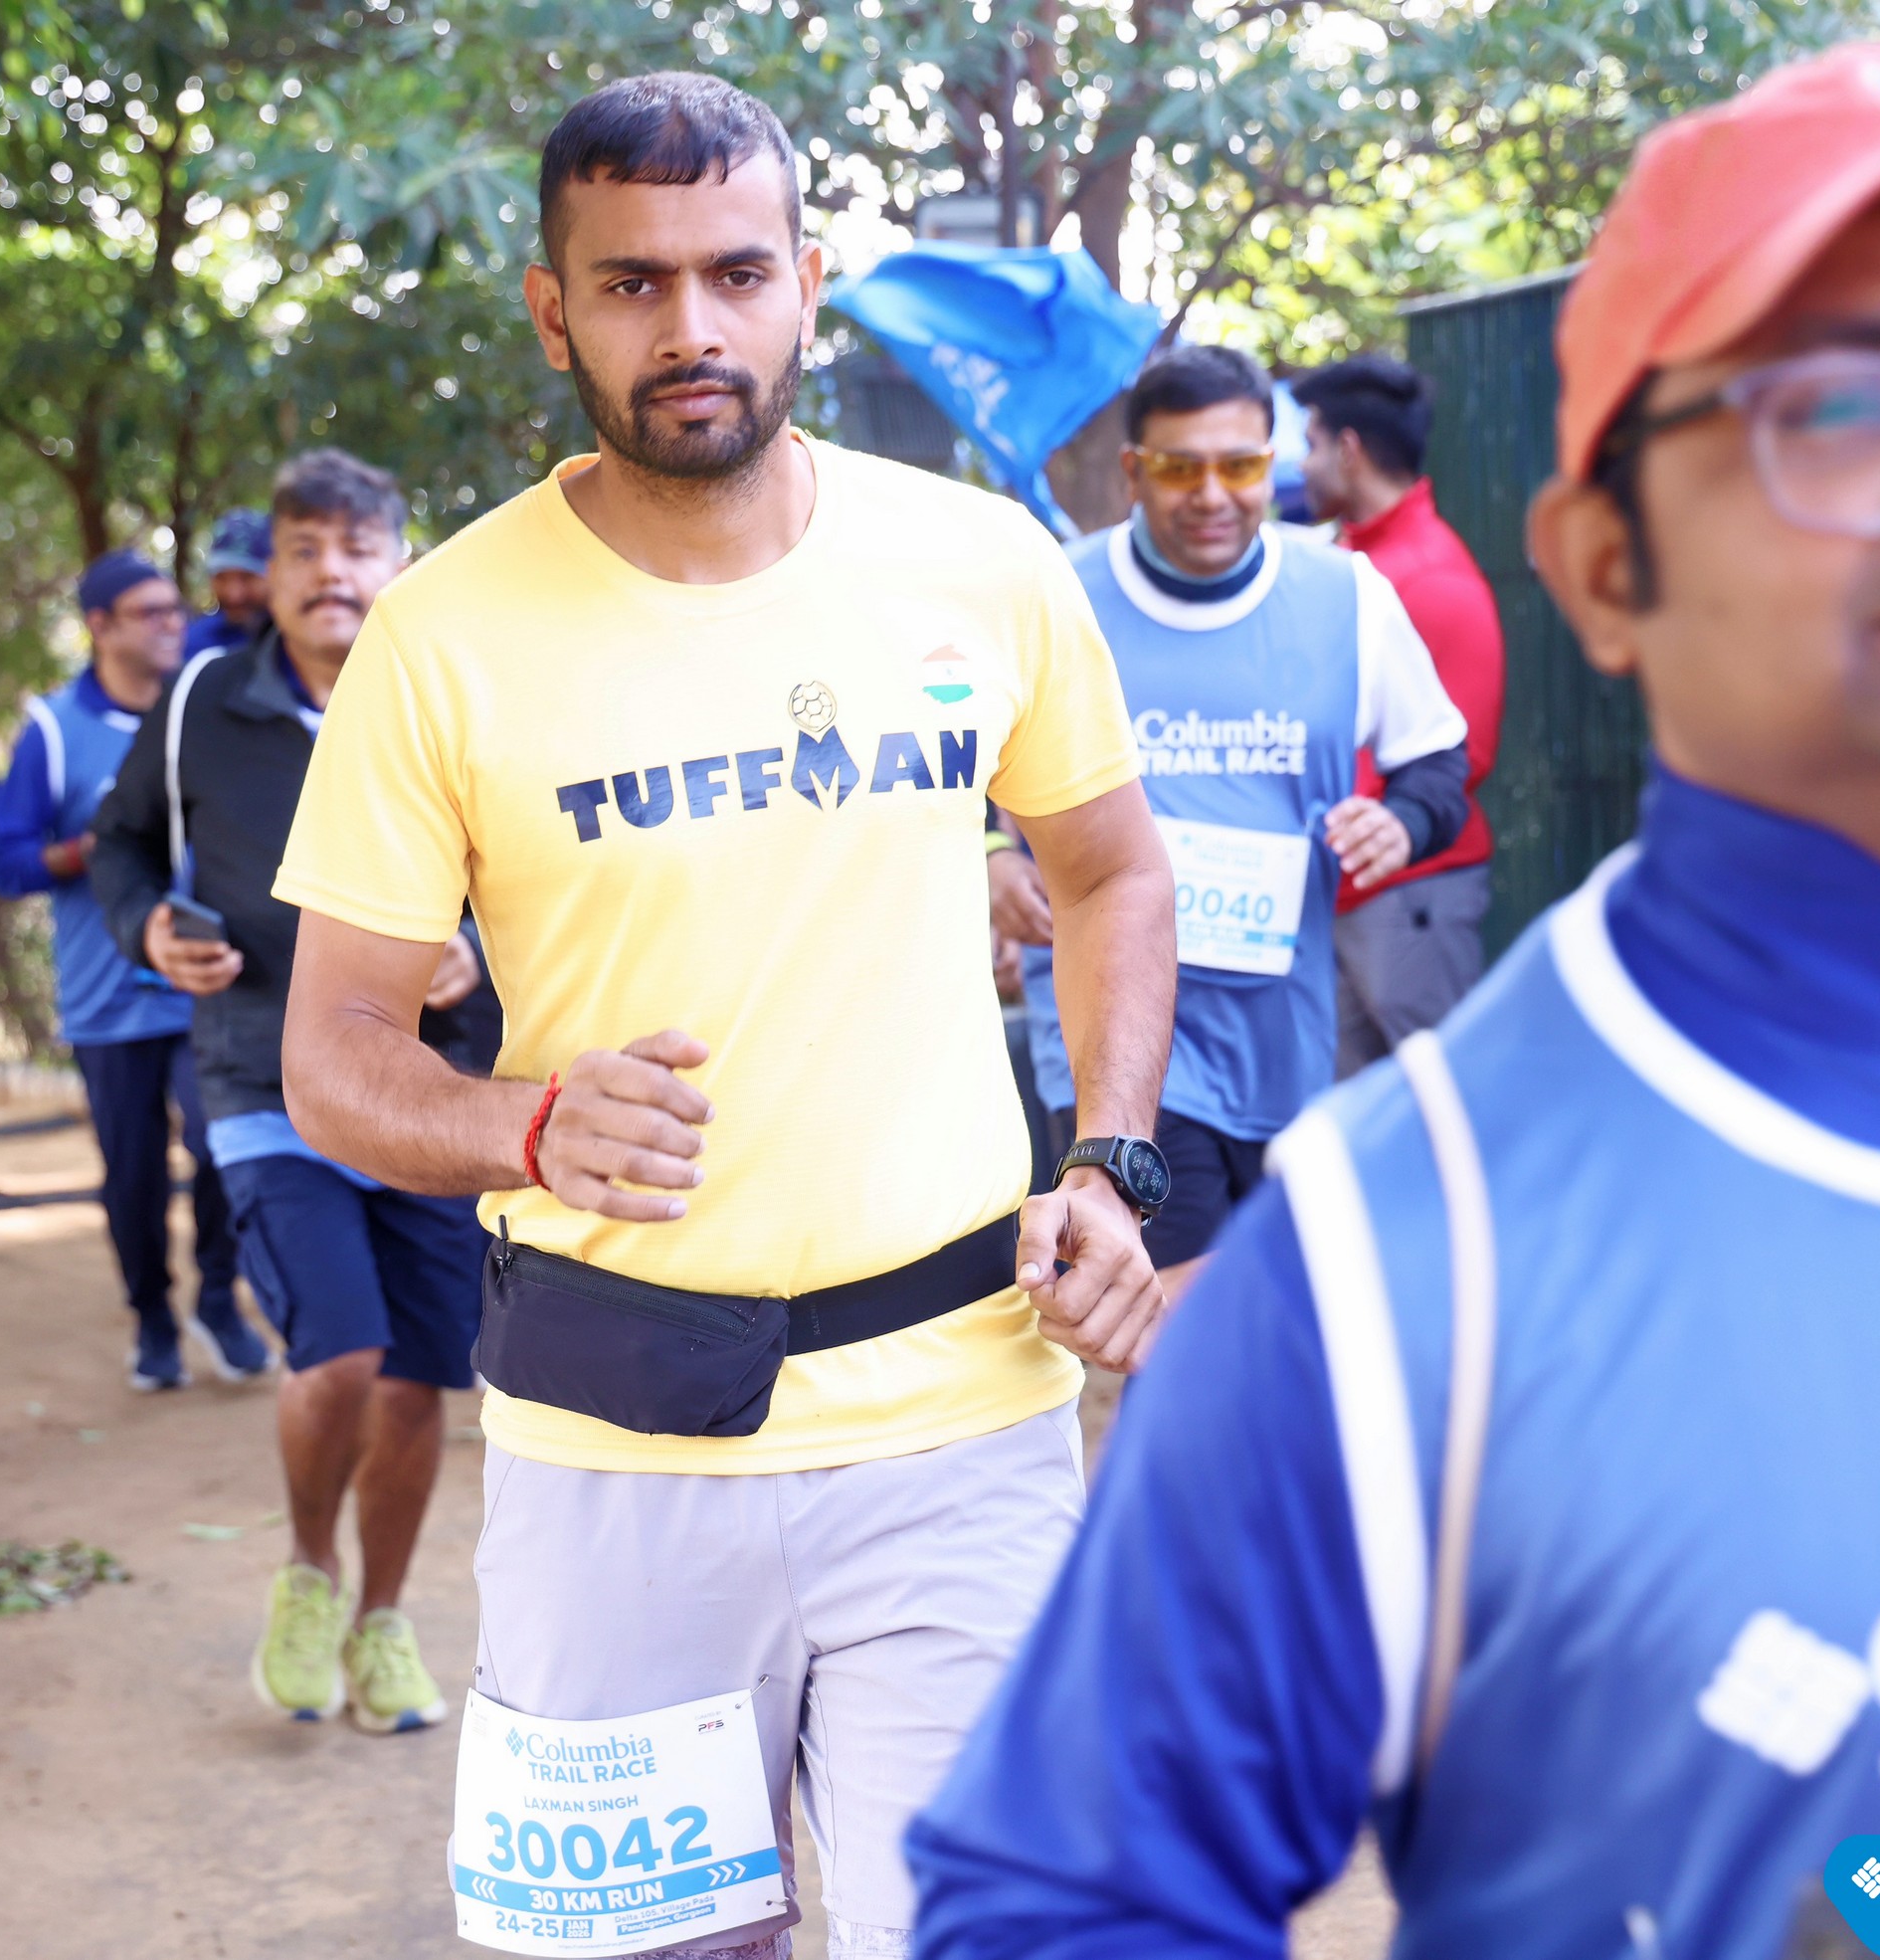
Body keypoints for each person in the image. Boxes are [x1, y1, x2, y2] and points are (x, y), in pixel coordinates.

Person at [911, 47, 1880, 1959]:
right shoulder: (1401, 1263)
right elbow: (1068, 1898)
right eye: (1848, 405)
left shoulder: (1342, 606)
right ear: (1606, 566)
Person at [273, 74, 1177, 1957]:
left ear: (806, 287)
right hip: (615, 1459)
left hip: (964, 1431)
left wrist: (1108, 1158)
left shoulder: (981, 564)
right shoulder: (437, 636)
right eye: (632, 283)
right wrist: (525, 1120)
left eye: (735, 273)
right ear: (554, 312)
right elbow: (336, 1055)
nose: (690, 325)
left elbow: (1107, 875)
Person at [93, 450, 499, 1734]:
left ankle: (382, 1618)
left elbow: (546, 868)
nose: (333, 572)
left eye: (358, 546)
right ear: (263, 576)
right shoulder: (201, 702)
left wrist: (478, 951)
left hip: (433, 1090)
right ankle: (310, 1570)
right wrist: (147, 927)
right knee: (340, 1350)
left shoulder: (461, 689)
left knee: (417, 1379)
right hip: (264, 1076)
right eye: (304, 549)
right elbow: (119, 842)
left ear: (401, 562)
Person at [997, 342, 1471, 1297]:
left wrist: (1403, 824)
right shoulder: (1057, 598)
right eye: (1179, 468)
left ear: (1272, 462)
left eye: (1240, 466)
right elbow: (958, 767)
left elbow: (1437, 765)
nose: (1211, 494)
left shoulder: (1344, 597)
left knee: (1264, 1316)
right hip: (1114, 1040)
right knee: (1171, 1315)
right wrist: (990, 859)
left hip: (1283, 1033)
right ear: (1133, 471)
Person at [0, 549, 272, 1391]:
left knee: (223, 1143)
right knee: (134, 1174)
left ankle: (218, 1298)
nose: (173, 624)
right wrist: (102, 849)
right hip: (107, 997)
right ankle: (151, 1317)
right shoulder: (52, 729)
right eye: (150, 613)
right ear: (99, 627)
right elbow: (3, 862)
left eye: (175, 610)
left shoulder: (207, 710)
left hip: (209, 985)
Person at [1294, 350, 1509, 1073]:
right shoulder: (1350, 564)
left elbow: (1461, 755)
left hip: (1412, 892)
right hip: (1352, 892)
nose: (1302, 465)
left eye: (1311, 443)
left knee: (1441, 1103)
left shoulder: (1429, 577)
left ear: (1348, 450)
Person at [180, 509, 273, 658]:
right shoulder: (193, 645)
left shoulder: (299, 641)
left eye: (247, 577)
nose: (233, 594)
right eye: (221, 577)